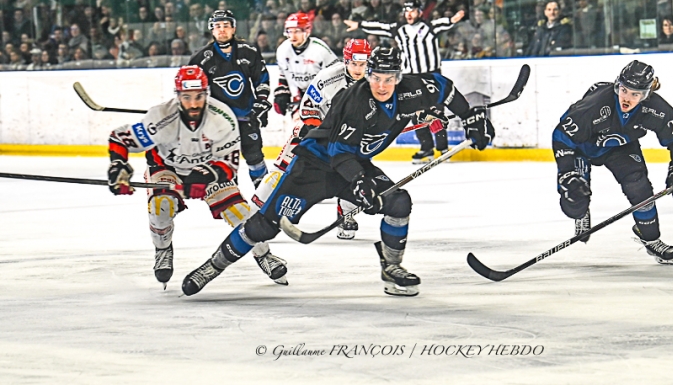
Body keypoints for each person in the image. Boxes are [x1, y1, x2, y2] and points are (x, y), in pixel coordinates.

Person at [180, 47, 495, 297]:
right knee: (264, 225)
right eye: (376, 78)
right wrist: (360, 184)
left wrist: (472, 118)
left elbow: (445, 89)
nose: (382, 85)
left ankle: (392, 270)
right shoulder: (353, 100)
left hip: (354, 163)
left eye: (389, 78)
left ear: (399, 77)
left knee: (399, 202)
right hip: (316, 166)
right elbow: (339, 153)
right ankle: (212, 267)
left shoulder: (414, 89)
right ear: (367, 75)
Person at [106, 66, 287, 289]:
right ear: (178, 95)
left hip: (207, 169)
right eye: (187, 97)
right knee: (161, 207)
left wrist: (206, 176)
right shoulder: (160, 117)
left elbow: (229, 163)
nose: (193, 104)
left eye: (199, 96)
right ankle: (162, 248)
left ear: (206, 93)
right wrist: (118, 165)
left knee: (242, 214)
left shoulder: (223, 118)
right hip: (167, 168)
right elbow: (120, 138)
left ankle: (263, 254)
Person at [553, 60, 673, 265]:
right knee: (575, 196)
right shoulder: (596, 104)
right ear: (617, 84)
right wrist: (567, 173)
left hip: (620, 147)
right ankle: (580, 212)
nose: (626, 98)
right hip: (581, 148)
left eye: (635, 94)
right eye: (624, 90)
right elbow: (562, 134)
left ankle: (651, 238)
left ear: (646, 94)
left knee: (640, 188)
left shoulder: (653, 107)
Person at [262, 38, 372, 242]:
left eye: (363, 64)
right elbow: (308, 108)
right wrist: (320, 132)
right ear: (346, 60)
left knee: (356, 174)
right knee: (284, 168)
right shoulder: (329, 77)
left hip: (347, 138)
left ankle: (346, 213)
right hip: (314, 131)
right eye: (354, 63)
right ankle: (260, 210)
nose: (358, 69)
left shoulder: (375, 83)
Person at [344, 0, 465, 163]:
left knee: (436, 111)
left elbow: (444, 23)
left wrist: (453, 20)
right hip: (411, 78)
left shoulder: (429, 27)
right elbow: (380, 27)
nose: (409, 14)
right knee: (415, 113)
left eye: (413, 10)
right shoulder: (399, 29)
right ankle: (426, 149)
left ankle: (443, 148)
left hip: (431, 75)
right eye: (406, 10)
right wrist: (359, 24)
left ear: (420, 12)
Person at [187, 10, 272, 187]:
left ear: (233, 28)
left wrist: (261, 103)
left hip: (247, 116)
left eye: (226, 26)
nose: (222, 30)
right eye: (218, 26)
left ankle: (266, 195)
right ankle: (231, 199)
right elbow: (192, 89)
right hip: (219, 122)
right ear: (212, 30)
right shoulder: (201, 58)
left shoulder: (248, 52)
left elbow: (261, 79)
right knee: (225, 161)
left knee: (254, 157)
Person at [273, 12, 339, 119]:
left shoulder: (320, 50)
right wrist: (282, 93)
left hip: (322, 96)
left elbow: (336, 75)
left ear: (307, 31)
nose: (293, 36)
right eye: (290, 31)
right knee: (298, 129)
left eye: (297, 31)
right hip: (298, 96)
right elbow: (284, 75)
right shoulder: (282, 50)